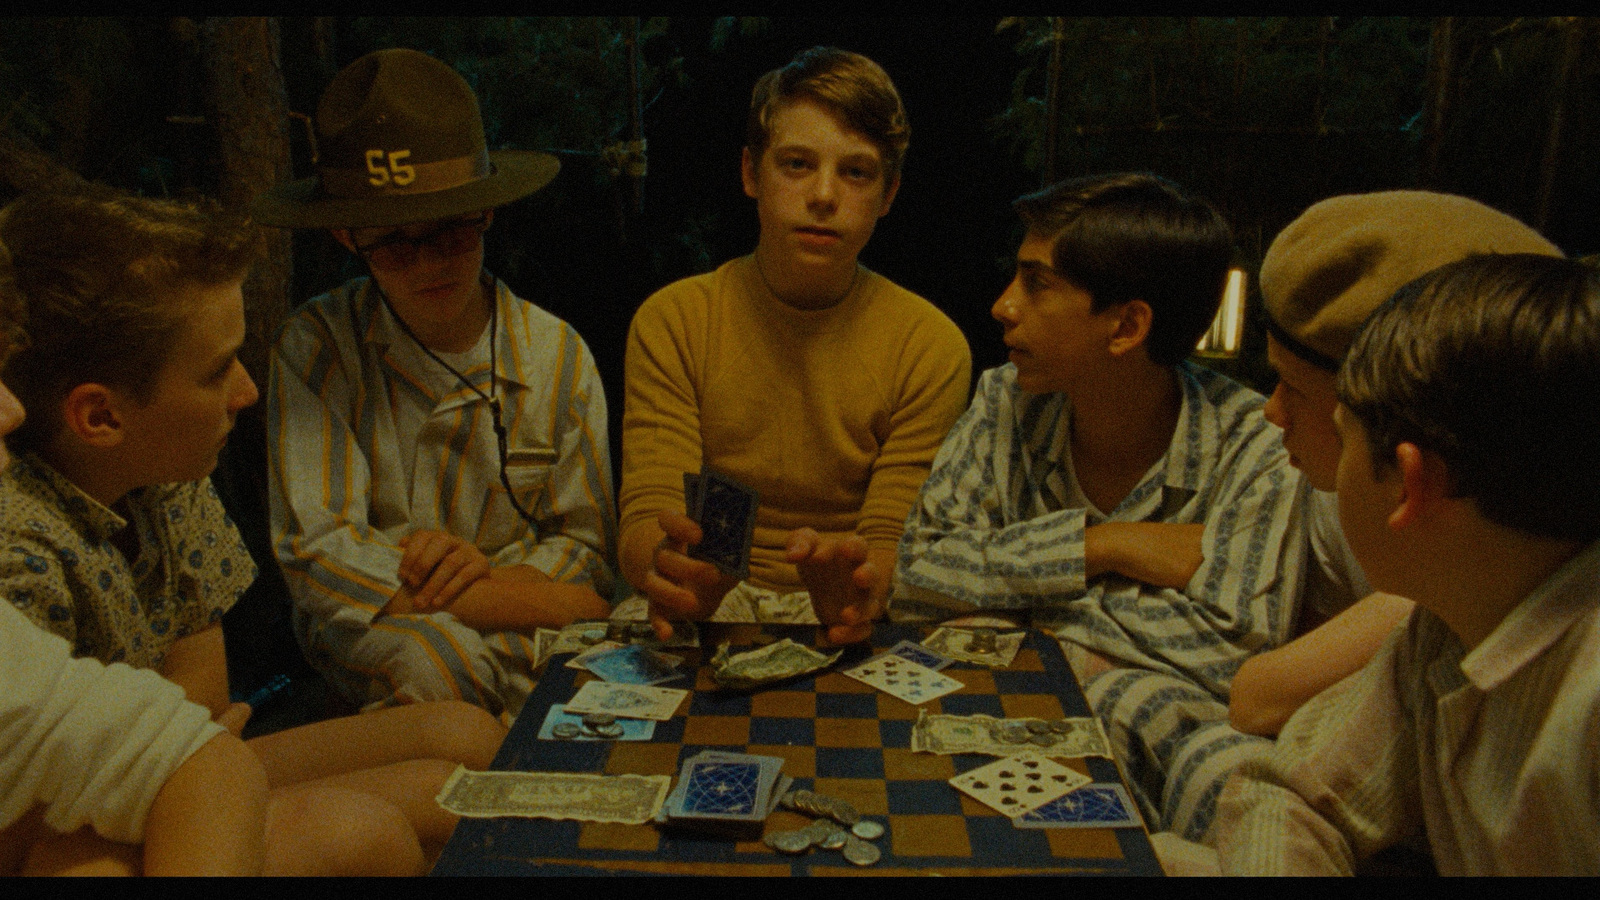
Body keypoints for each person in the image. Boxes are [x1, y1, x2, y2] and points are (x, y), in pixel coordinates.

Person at [0, 186, 507, 871]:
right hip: (81, 821)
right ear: (101, 418)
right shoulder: (21, 551)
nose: (247, 391)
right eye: (216, 372)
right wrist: (197, 755)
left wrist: (199, 748)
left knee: (465, 735)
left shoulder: (166, 471)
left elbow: (204, 696)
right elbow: (35, 816)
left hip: (178, 760)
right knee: (364, 830)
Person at [894, 173, 1305, 842]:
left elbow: (1231, 654)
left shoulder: (1255, 446)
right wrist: (1103, 544)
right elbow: (917, 574)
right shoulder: (1007, 398)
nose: (1003, 305)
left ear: (1128, 325)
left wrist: (1024, 610)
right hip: (1003, 735)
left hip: (1152, 751)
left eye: (1037, 283)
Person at [253, 49, 616, 718]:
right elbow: (319, 553)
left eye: (450, 233)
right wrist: (481, 596)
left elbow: (586, 549)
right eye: (394, 244)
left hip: (522, 616)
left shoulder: (557, 355)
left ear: (487, 215)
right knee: (435, 664)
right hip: (378, 619)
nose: (428, 265)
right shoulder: (317, 347)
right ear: (346, 234)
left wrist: (518, 589)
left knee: (607, 674)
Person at [1213, 253, 1600, 875]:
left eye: (1345, 436)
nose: (1271, 412)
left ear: (1409, 484)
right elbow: (1289, 791)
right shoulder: (1445, 625)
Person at [620, 46, 971, 646]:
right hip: (698, 612)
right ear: (751, 174)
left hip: (856, 622)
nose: (824, 195)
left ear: (888, 195)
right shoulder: (677, 319)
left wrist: (861, 585)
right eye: (797, 164)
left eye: (856, 172)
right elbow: (648, 504)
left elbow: (894, 533)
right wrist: (670, 570)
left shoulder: (929, 344)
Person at [1227, 191, 1562, 738]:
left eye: (1294, 389)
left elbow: (1262, 699)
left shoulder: (1479, 564)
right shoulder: (1332, 495)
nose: (1271, 411)